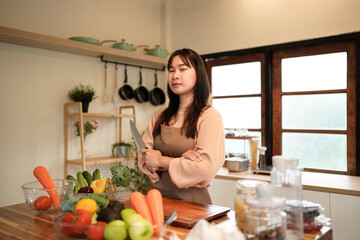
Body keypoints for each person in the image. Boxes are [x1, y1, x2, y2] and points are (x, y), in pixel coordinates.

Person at [138, 48, 225, 204]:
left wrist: (161, 161)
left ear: (198, 74)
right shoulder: (158, 116)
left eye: (182, 69)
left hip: (192, 203)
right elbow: (145, 158)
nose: (175, 75)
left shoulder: (209, 117)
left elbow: (205, 168)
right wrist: (181, 159)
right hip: (155, 199)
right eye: (171, 70)